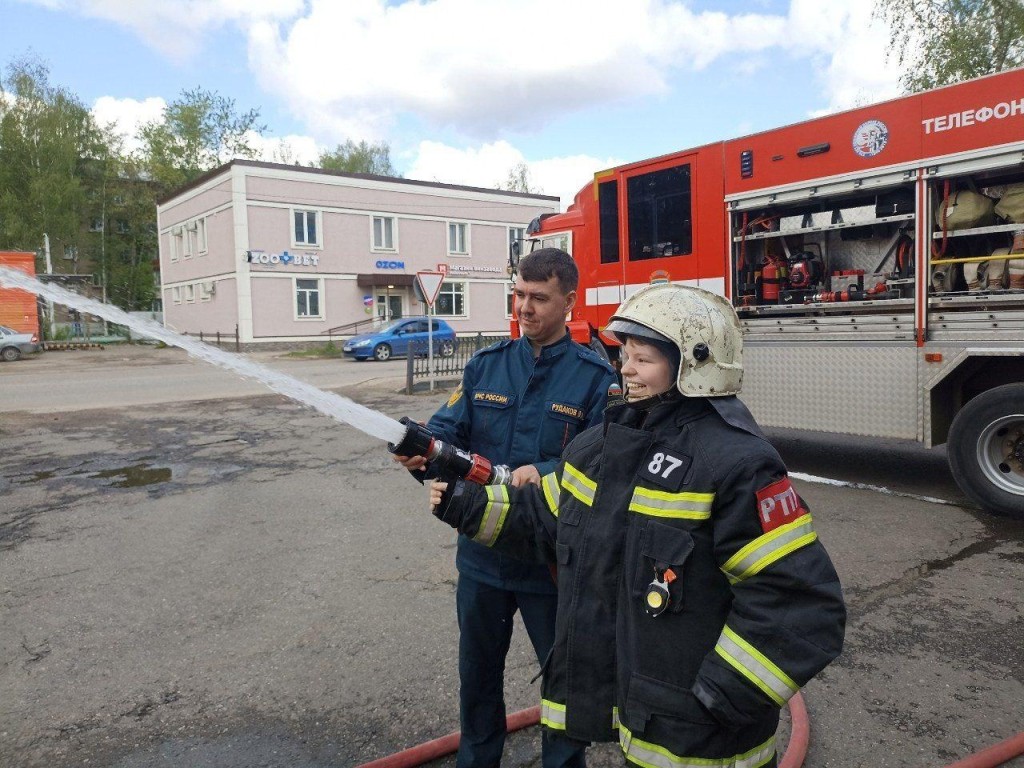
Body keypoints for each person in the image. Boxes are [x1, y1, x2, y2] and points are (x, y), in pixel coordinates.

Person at [427, 283, 846, 768]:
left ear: (695, 365)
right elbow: (546, 518)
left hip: (711, 746)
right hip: (646, 725)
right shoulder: (605, 445)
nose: (625, 368)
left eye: (642, 359)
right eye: (625, 354)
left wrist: (720, 697)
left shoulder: (737, 465)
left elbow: (800, 603)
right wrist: (468, 505)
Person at [394, 247, 617, 768]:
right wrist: (419, 451)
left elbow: (606, 466)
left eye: (539, 298)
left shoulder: (593, 379)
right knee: (477, 676)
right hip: (482, 562)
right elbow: (445, 431)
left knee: (562, 685)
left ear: (569, 302)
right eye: (519, 295)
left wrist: (546, 473)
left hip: (551, 566)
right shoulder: (486, 366)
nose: (525, 307)